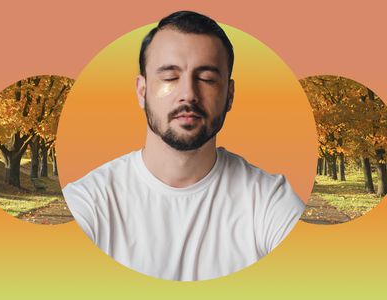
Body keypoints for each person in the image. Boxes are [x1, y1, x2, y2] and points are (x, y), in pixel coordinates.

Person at [62, 10, 305, 281]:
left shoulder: (269, 200)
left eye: (207, 79)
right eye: (169, 77)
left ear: (230, 95)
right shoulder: (89, 201)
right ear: (142, 91)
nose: (188, 93)